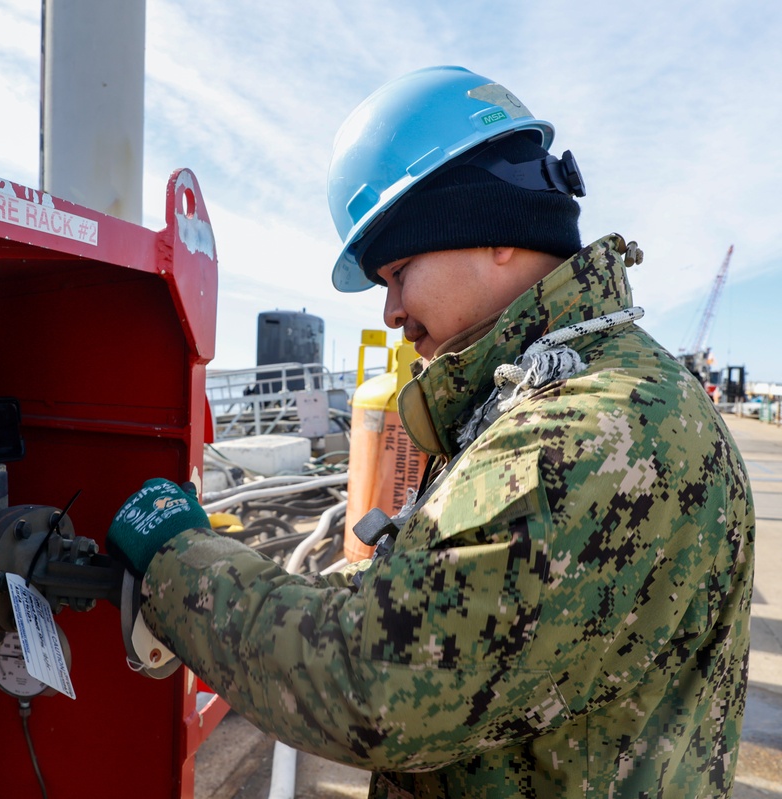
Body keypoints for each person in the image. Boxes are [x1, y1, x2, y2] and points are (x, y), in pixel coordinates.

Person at [108, 66, 755, 798]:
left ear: (491, 230)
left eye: (398, 270)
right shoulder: (550, 391)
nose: (390, 311)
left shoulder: (592, 429)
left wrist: (175, 559)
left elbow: (375, 682)